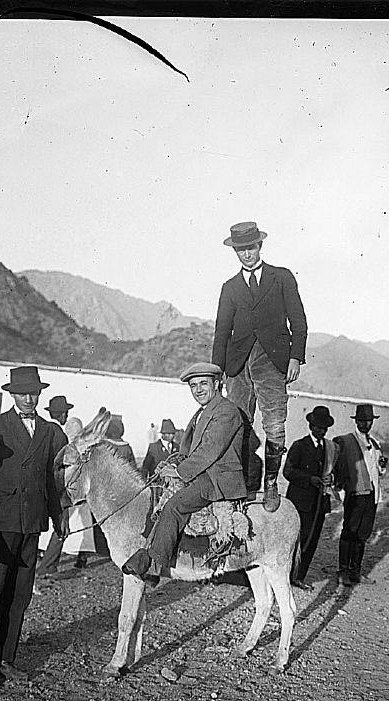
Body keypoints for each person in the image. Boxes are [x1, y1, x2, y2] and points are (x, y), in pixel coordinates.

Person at [0, 365, 68, 691]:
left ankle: (4, 659)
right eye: (22, 392)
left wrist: (57, 516)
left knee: (20, 594)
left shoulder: (48, 431)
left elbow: (50, 480)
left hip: (32, 523)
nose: (28, 398)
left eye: (34, 393)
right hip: (0, 522)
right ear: (12, 394)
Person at [211, 221, 308, 512]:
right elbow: (221, 332)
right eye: (240, 249)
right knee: (238, 426)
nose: (246, 254)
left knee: (275, 426)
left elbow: (299, 321)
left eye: (250, 247)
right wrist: (218, 373)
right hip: (237, 366)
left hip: (273, 360)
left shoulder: (282, 278)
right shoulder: (229, 288)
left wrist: (295, 357)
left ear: (260, 246)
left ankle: (271, 484)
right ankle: (239, 487)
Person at [122, 362, 247, 580]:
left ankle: (154, 566)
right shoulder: (202, 412)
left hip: (217, 477)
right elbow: (188, 450)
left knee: (174, 506)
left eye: (203, 384)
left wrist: (179, 472)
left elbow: (210, 451)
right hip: (203, 472)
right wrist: (171, 463)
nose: (198, 390)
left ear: (216, 384)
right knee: (157, 498)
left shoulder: (226, 411)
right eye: (193, 386)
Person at [283, 406, 338, 589]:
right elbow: (288, 471)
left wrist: (330, 478)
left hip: (319, 504)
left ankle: (299, 576)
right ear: (311, 426)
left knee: (312, 540)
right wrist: (310, 479)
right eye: (318, 427)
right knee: (294, 540)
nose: (321, 431)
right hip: (300, 502)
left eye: (324, 428)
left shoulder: (329, 449)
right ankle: (284, 576)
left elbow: (333, 472)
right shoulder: (300, 446)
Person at [333, 403, 388, 586]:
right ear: (356, 421)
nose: (366, 424)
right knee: (350, 531)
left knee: (363, 533)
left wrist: (382, 465)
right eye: (362, 421)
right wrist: (340, 489)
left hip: (372, 494)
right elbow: (338, 468)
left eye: (369, 421)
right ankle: (343, 571)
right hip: (355, 493)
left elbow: (378, 471)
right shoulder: (346, 441)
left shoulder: (374, 443)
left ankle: (356, 572)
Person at [36, 395, 76, 578]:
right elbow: (59, 467)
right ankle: (48, 566)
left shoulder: (43, 428)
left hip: (39, 486)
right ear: (60, 414)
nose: (66, 416)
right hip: (55, 488)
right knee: (62, 528)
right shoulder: (60, 435)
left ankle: (45, 564)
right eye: (65, 413)